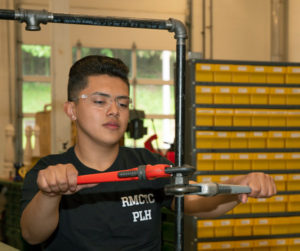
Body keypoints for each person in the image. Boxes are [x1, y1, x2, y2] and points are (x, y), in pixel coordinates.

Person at [20, 55, 277, 250]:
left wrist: (237, 185)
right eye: (100, 101)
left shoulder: (148, 165)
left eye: (122, 103)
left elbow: (197, 202)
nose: (114, 111)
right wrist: (49, 194)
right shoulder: (48, 172)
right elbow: (32, 234)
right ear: (71, 110)